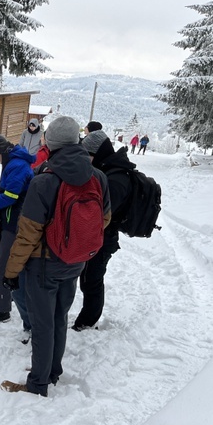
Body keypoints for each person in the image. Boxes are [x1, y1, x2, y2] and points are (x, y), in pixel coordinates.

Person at [1, 116, 111, 397]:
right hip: (76, 260)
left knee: (42, 323)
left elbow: (27, 234)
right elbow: (104, 218)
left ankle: (38, 382)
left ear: (49, 144)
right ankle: (52, 370)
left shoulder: (44, 180)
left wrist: (11, 272)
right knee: (59, 317)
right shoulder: (97, 176)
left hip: (43, 265)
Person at [73, 130, 134, 331]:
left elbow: (103, 214)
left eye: (89, 155)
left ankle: (87, 322)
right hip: (98, 236)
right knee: (88, 277)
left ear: (98, 153)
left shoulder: (116, 178)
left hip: (104, 238)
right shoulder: (107, 168)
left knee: (92, 280)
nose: (87, 160)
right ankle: (87, 318)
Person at [0, 134, 34, 330]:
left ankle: (1, 309)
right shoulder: (13, 161)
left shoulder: (17, 165)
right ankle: (2, 294)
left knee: (4, 262)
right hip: (10, 218)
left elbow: (11, 196)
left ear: (0, 152)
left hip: (15, 222)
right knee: (3, 259)